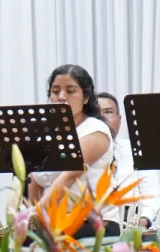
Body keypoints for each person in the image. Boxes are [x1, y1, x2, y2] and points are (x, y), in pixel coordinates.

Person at [28, 65, 120, 238]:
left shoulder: (95, 130)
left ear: (85, 97)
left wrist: (33, 217)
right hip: (56, 223)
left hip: (93, 224)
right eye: (55, 91)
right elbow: (34, 181)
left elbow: (69, 176)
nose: (61, 97)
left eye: (70, 91)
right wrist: (31, 223)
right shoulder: (47, 134)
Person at [97, 92, 160, 229]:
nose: (102, 118)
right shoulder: (81, 151)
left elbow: (151, 195)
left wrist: (141, 222)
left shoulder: (138, 148)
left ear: (119, 120)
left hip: (130, 220)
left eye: (108, 112)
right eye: (96, 113)